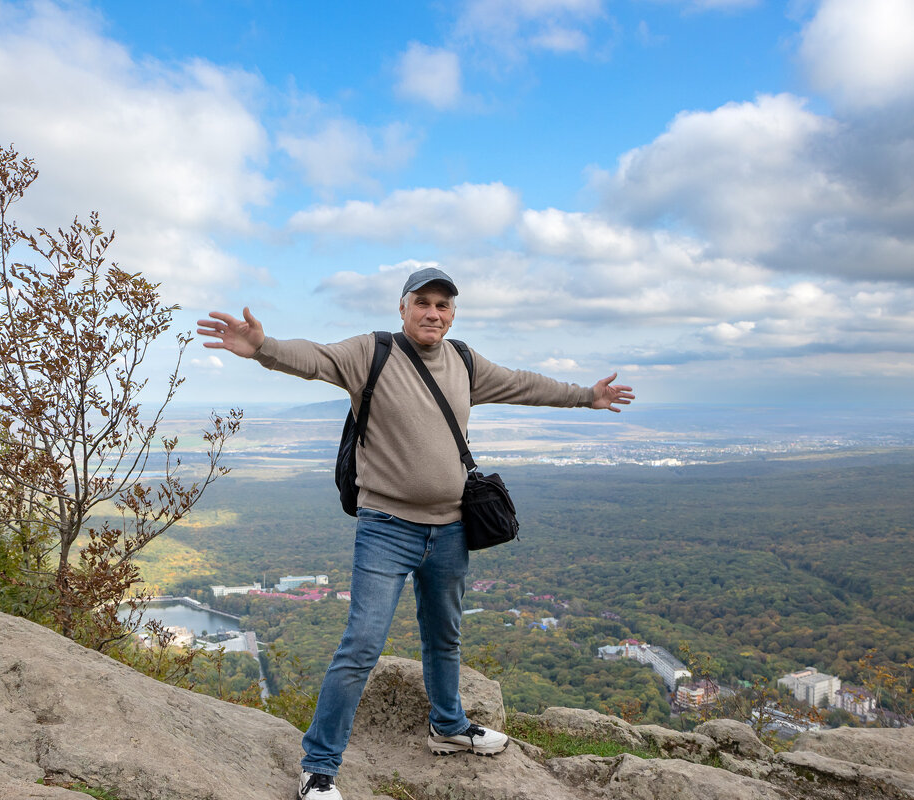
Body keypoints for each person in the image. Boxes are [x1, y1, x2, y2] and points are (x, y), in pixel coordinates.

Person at [197, 268, 634, 800]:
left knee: (444, 636)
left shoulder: (465, 362)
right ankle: (319, 766)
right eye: (422, 302)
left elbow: (525, 384)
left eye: (443, 305)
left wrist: (586, 395)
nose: (433, 313)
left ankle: (448, 726)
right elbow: (315, 358)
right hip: (386, 527)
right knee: (361, 645)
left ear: (453, 314)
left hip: (450, 529)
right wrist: (263, 346)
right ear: (402, 308)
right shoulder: (373, 353)